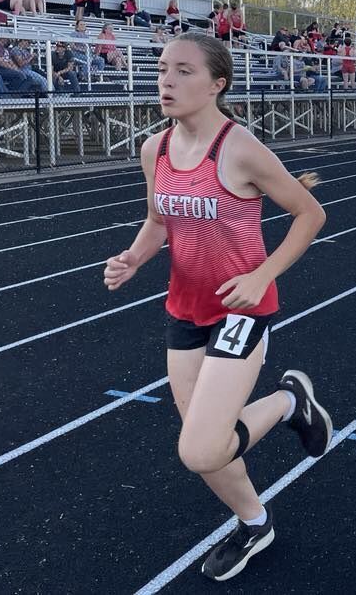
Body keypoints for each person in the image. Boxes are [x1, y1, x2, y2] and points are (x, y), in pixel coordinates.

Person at [102, 31, 331, 583]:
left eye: (183, 71)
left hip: (241, 311)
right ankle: (255, 523)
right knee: (206, 444)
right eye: (162, 69)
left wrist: (262, 274)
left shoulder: (240, 148)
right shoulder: (153, 148)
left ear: (216, 84)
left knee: (201, 449)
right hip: (184, 308)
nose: (166, 80)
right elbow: (159, 220)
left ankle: (287, 402)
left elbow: (311, 214)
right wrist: (133, 258)